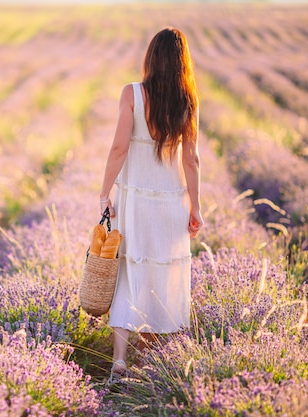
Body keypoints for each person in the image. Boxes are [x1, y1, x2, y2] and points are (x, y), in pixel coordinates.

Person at [98, 27, 203, 384]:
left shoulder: (132, 93)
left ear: (151, 58)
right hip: (172, 203)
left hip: (135, 202)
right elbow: (192, 161)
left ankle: (120, 360)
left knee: (129, 272)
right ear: (182, 63)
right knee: (163, 274)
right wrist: (196, 207)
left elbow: (118, 148)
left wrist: (104, 193)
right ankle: (155, 360)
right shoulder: (189, 101)